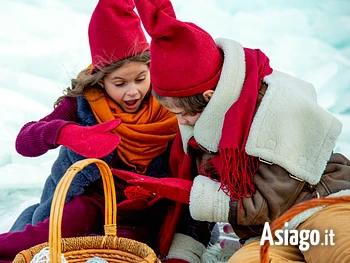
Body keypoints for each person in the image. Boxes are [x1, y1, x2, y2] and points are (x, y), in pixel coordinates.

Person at [112, 0, 350, 262]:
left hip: (319, 207)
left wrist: (191, 192)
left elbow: (270, 203)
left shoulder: (274, 106)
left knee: (340, 251)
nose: (180, 123)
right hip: (266, 234)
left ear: (209, 97)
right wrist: (181, 256)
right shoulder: (200, 129)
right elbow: (196, 214)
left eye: (181, 114)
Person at [0, 1, 214, 262]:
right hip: (93, 201)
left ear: (152, 70)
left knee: (120, 253)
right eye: (120, 83)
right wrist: (65, 132)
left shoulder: (172, 102)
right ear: (101, 80)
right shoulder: (85, 103)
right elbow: (24, 141)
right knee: (39, 240)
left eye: (140, 79)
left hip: (145, 213)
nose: (132, 91)